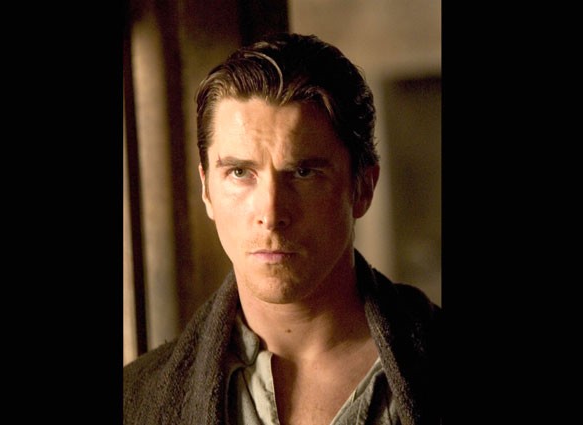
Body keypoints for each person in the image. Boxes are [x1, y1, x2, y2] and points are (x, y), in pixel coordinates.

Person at [123, 32, 441, 425]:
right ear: (206, 190)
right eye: (240, 172)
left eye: (303, 173)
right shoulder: (136, 401)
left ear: (363, 187)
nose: (271, 213)